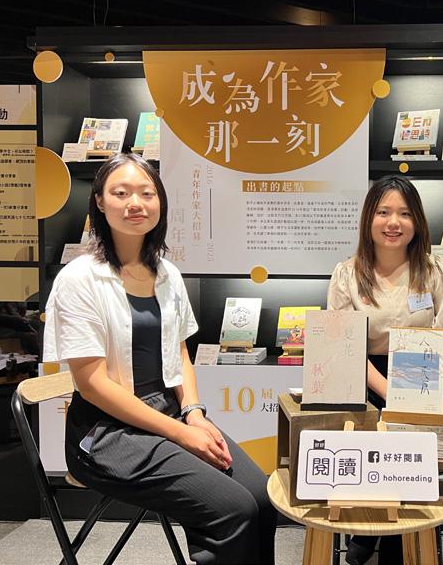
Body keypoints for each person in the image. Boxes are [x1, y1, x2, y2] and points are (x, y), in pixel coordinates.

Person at [43, 153, 276, 565]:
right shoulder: (79, 279)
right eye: (121, 193)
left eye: (146, 193)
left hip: (170, 415)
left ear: (160, 203)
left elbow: (179, 351)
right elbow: (92, 385)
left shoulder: (167, 273)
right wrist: (181, 434)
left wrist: (194, 414)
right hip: (106, 434)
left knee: (262, 496)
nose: (135, 203)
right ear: (99, 201)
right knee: (233, 511)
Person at [327, 174, 443, 565]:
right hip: (364, 383)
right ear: (368, 219)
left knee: (412, 466)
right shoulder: (347, 274)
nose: (394, 222)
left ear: (417, 221)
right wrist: (391, 393)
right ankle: (367, 529)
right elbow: (345, 347)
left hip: (423, 378)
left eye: (405, 214)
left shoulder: (434, 270)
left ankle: (390, 544)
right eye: (383, 212)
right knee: (373, 456)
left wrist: (432, 392)